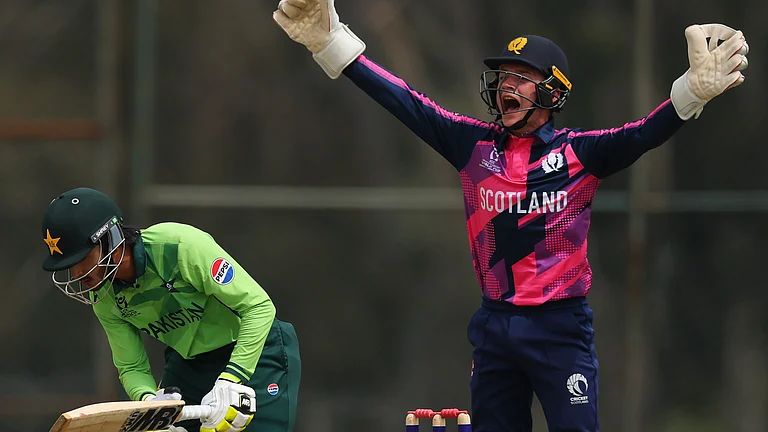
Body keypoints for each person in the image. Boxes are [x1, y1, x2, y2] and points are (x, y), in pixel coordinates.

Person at [273, 1, 749, 431]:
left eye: (521, 76)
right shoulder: (471, 145)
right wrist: (331, 43)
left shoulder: (581, 154)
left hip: (560, 329)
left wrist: (690, 93)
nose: (507, 85)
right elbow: (404, 101)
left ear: (552, 92)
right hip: (495, 328)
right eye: (503, 76)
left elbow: (642, 134)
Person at [41, 187, 301, 432]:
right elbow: (131, 366)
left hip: (255, 353)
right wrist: (151, 403)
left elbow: (258, 307)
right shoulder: (103, 295)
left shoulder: (179, 246)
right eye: (69, 265)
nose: (77, 274)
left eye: (82, 259)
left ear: (111, 238)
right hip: (188, 366)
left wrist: (232, 377)